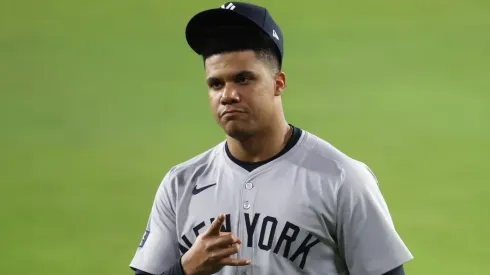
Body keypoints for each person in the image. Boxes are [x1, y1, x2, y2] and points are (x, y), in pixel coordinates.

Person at [129, 2, 413, 275]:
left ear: (279, 84)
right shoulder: (180, 184)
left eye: (243, 79)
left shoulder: (341, 179)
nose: (228, 95)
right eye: (216, 84)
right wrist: (186, 269)